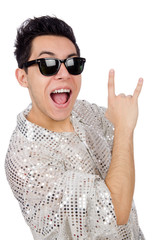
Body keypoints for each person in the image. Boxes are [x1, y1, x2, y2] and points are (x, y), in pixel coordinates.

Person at [5, 15, 145, 240]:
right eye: (47, 65)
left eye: (72, 64)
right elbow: (113, 212)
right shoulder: (24, 159)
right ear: (23, 77)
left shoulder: (81, 112)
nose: (64, 74)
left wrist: (123, 118)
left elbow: (115, 119)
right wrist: (125, 130)